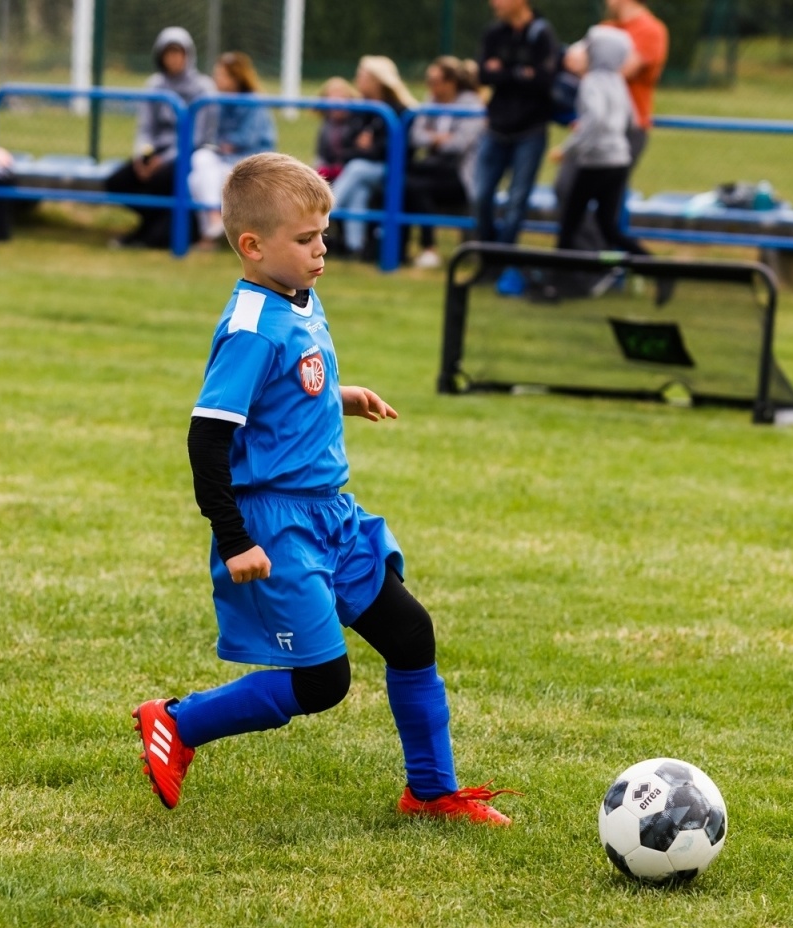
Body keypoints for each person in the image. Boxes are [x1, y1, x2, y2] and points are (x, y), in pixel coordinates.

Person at [132, 152, 516, 827]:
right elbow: (208, 437)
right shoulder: (251, 326)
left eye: (324, 235)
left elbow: (285, 392)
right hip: (278, 527)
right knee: (322, 683)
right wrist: (235, 538)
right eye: (306, 240)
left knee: (410, 634)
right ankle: (175, 722)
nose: (322, 251)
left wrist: (339, 396)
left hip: (333, 514)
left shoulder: (299, 299)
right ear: (253, 246)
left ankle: (431, 790)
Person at [556, 0, 666, 243]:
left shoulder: (649, 30)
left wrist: (585, 63)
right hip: (595, 130)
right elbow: (573, 57)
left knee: (602, 208)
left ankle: (593, 266)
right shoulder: (607, 27)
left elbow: (618, 69)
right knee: (568, 192)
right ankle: (586, 265)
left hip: (620, 133)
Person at [106, 26, 214, 249]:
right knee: (117, 181)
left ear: (188, 55)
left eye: (178, 53)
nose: (173, 59)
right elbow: (145, 128)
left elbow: (197, 136)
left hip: (188, 155)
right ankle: (152, 226)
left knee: (161, 179)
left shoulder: (203, 88)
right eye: (168, 53)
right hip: (156, 153)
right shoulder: (154, 85)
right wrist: (143, 156)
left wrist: (163, 161)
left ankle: (150, 232)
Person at [552, 26, 647, 257]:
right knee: (608, 226)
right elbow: (631, 120)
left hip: (596, 162)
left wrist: (569, 148)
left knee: (569, 223)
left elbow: (594, 118)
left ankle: (557, 280)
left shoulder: (592, 81)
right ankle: (654, 266)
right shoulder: (617, 80)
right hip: (619, 160)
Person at [474, 0, 562, 246]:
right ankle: (487, 252)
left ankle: (503, 256)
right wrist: (521, 73)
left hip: (530, 130)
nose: (494, 3)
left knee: (517, 200)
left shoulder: (542, 34)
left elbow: (544, 80)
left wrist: (503, 73)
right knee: (480, 196)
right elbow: (482, 74)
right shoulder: (494, 33)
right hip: (496, 127)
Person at [328, 55, 415, 260]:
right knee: (358, 188)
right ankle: (354, 247)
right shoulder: (361, 109)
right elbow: (347, 148)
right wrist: (366, 148)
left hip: (390, 172)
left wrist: (368, 147)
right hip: (363, 171)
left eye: (362, 75)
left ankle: (325, 212)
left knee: (358, 168)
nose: (357, 79)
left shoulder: (400, 111)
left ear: (377, 80)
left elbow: (395, 151)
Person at [188, 51, 276, 248]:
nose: (216, 79)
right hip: (224, 159)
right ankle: (213, 220)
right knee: (198, 166)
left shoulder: (253, 101)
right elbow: (212, 136)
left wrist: (226, 144)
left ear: (235, 78)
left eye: (221, 75)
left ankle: (209, 236)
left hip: (250, 163)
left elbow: (248, 139)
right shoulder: (218, 102)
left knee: (203, 179)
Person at [405, 56, 484, 268]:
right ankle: (399, 248)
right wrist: (439, 139)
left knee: (416, 186)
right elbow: (416, 135)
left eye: (434, 81)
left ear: (451, 82)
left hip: (461, 174)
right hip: (435, 167)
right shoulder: (432, 100)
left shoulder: (472, 104)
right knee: (403, 180)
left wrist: (434, 139)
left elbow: (460, 144)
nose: (430, 86)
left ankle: (429, 248)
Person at [312, 76, 360, 182]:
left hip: (349, 171)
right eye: (332, 97)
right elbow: (320, 154)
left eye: (341, 96)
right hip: (330, 173)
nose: (337, 102)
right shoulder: (326, 125)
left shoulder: (357, 123)